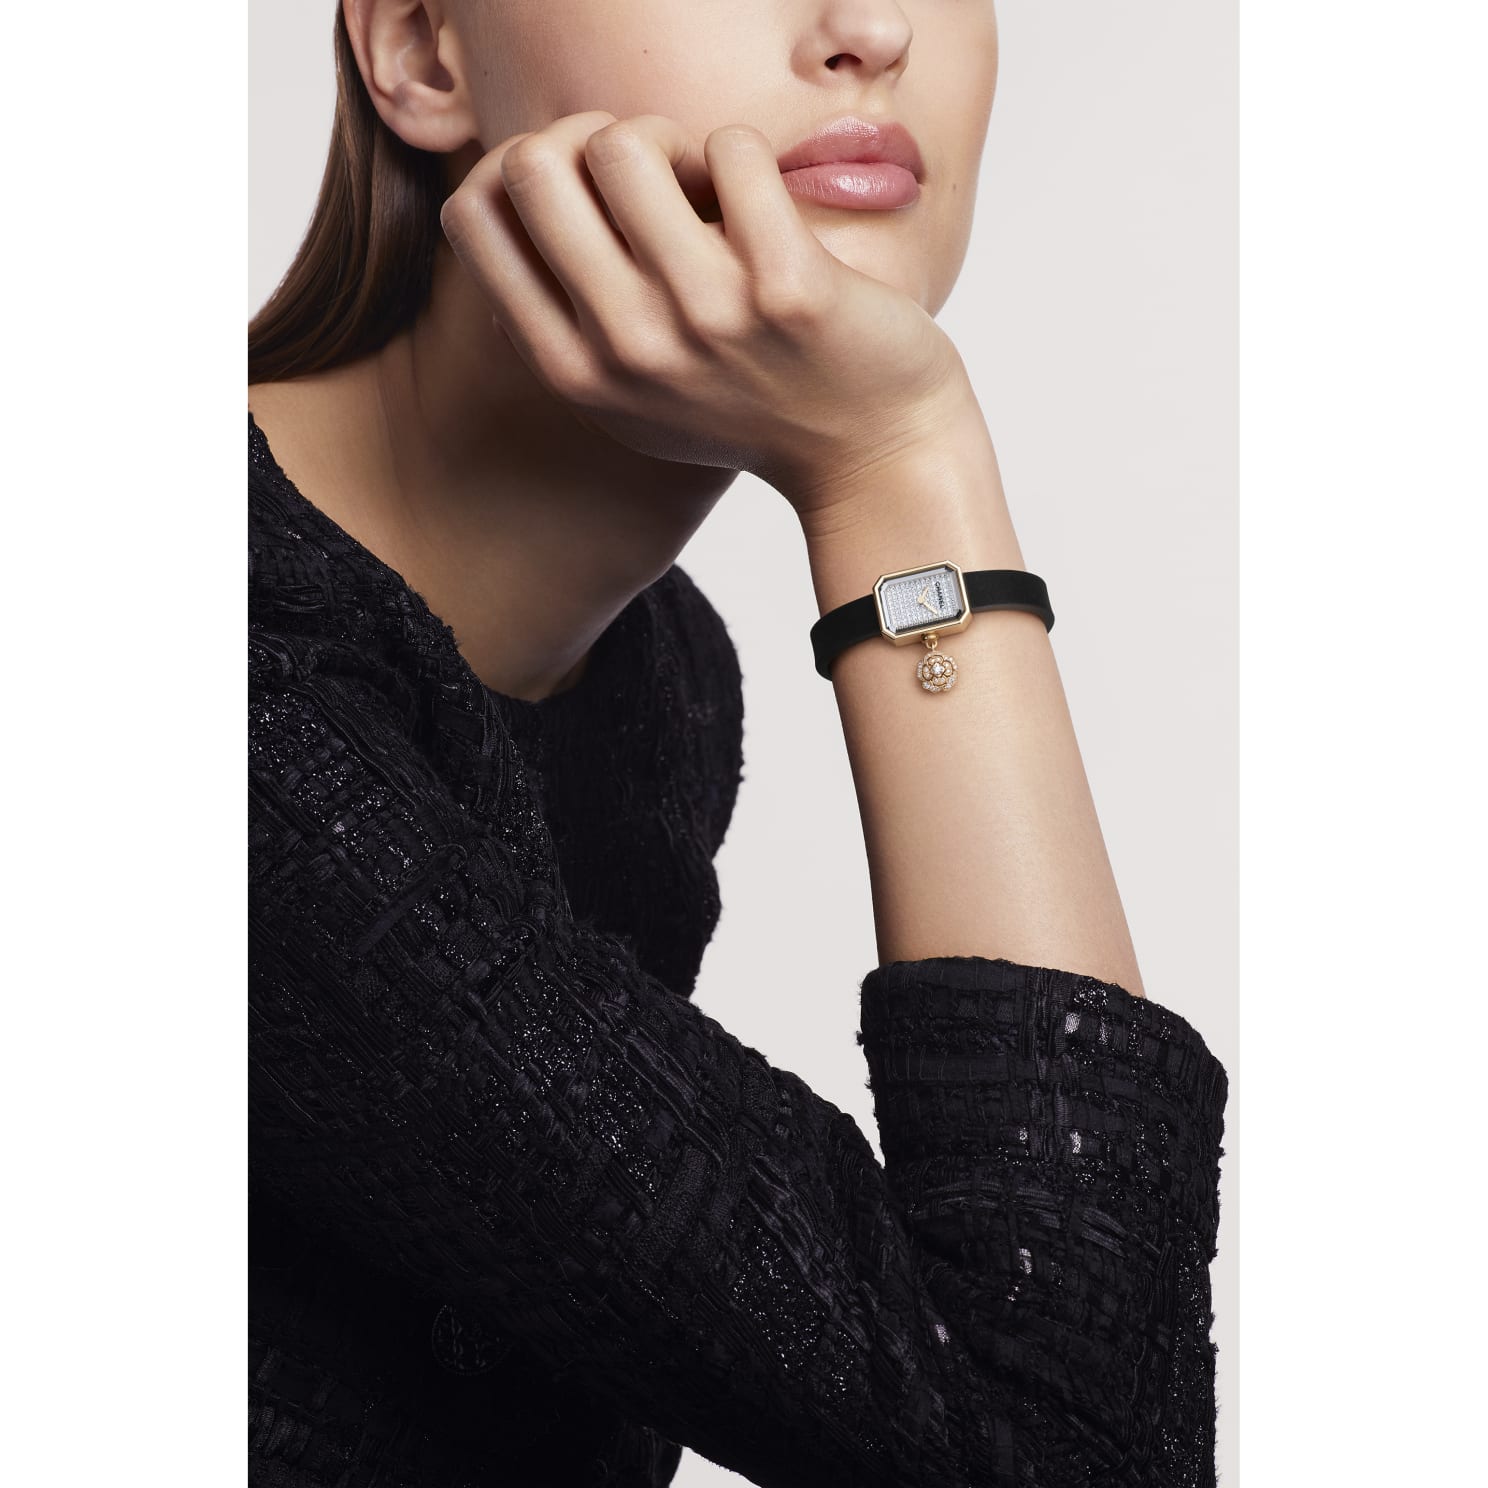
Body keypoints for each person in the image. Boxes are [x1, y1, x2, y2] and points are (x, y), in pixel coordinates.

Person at [248, 2, 1229, 1485]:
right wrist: (897, 465)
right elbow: (1060, 1446)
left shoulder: (662, 676)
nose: (871, 28)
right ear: (421, 51)